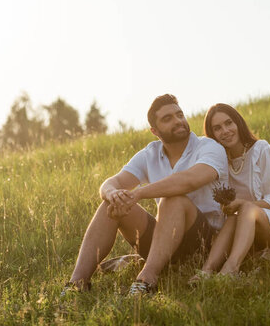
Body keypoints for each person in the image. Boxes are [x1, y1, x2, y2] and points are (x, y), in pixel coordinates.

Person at [64, 94, 228, 295]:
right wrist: (114, 194)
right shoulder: (150, 153)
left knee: (173, 199)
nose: (177, 121)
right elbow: (110, 183)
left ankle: (146, 280)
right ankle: (76, 284)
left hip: (205, 243)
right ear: (155, 131)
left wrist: (138, 193)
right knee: (110, 204)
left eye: (179, 115)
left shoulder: (209, 147)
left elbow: (188, 181)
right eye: (167, 119)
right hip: (163, 241)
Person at [190, 103, 270, 282]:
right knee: (234, 215)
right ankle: (206, 271)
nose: (225, 131)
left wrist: (242, 204)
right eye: (217, 128)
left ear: (238, 123)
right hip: (241, 229)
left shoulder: (261, 150)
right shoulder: (220, 163)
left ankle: (231, 268)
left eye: (229, 123)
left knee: (246, 209)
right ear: (212, 135)